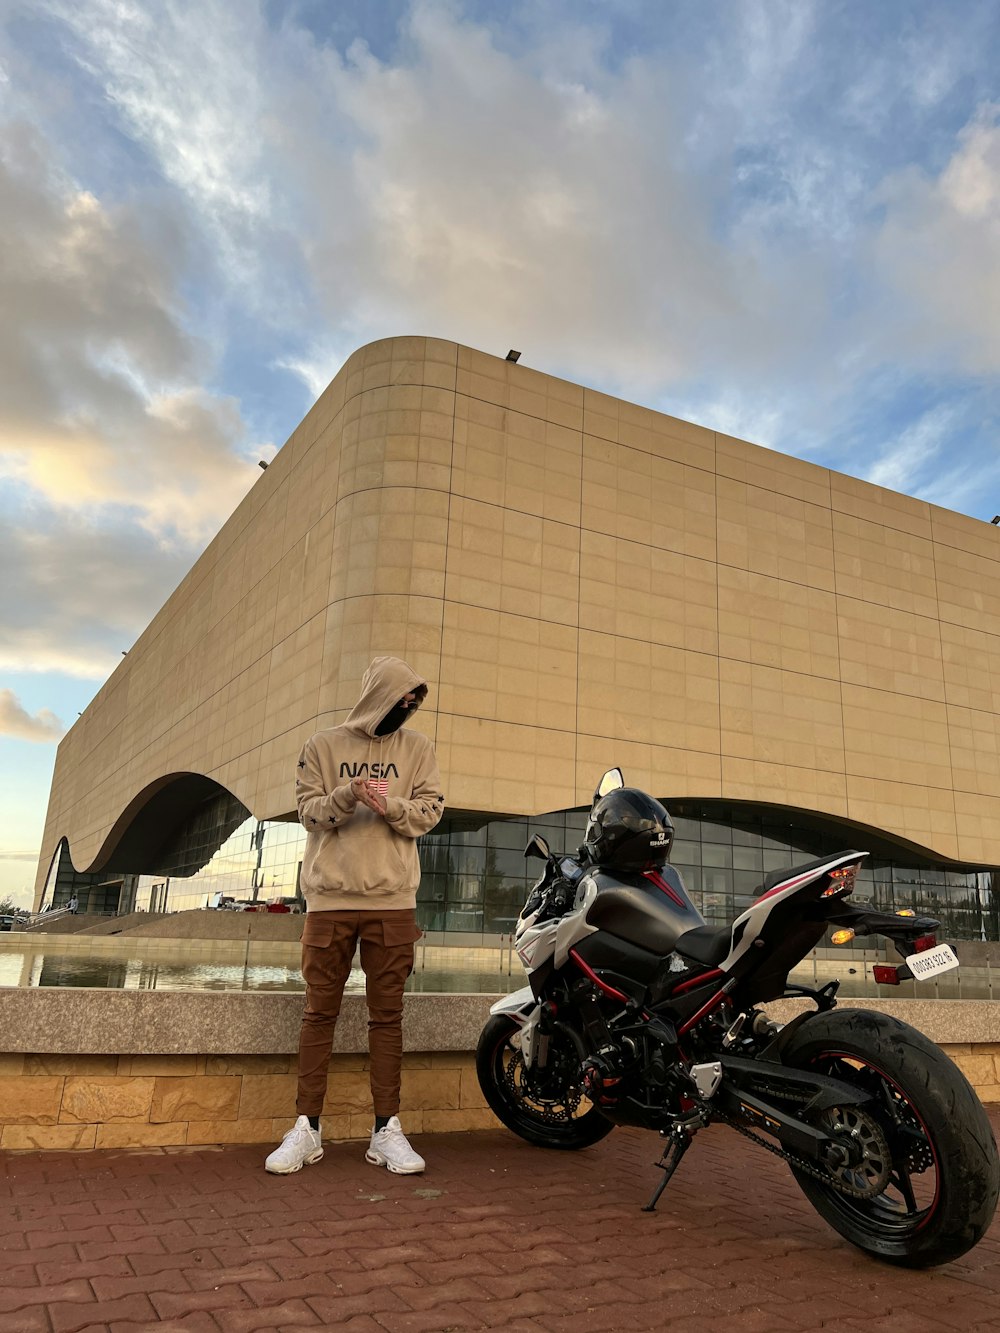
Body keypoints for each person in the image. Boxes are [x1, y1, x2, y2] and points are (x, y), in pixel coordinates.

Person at [265, 656, 445, 1176]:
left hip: (393, 902)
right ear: (380, 695)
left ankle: (386, 1130)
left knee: (387, 1019)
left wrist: (391, 808)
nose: (408, 708)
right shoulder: (322, 746)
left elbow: (430, 812)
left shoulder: (418, 749)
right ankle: (307, 1129)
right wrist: (348, 794)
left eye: (415, 701)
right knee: (319, 1014)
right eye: (402, 698)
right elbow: (308, 812)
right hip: (330, 900)